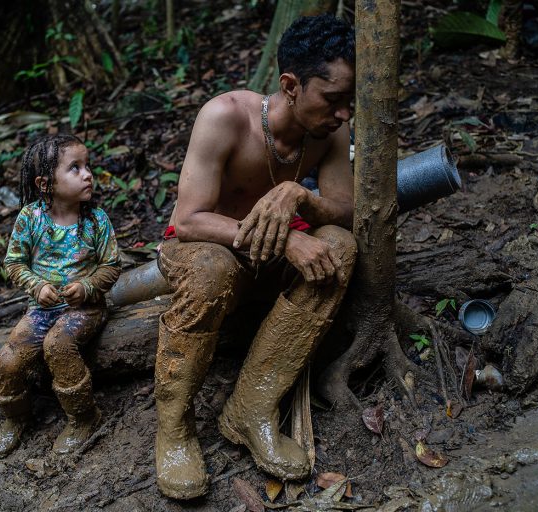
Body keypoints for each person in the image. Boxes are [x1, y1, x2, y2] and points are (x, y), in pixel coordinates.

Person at [154, 14, 358, 499]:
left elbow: (346, 212)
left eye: (350, 102)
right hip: (204, 250)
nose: (344, 113)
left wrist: (299, 196)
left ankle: (251, 408)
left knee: (340, 248)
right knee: (211, 268)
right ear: (291, 85)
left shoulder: (329, 135)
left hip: (265, 262)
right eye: (332, 99)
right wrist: (286, 239)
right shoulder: (224, 116)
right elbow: (188, 220)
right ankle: (174, 429)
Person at [0, 133, 121, 458]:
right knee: (8, 359)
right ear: (45, 183)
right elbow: (14, 263)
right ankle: (15, 418)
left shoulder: (96, 221)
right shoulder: (30, 219)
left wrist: (87, 287)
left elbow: (112, 265)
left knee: (58, 345)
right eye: (75, 168)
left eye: (87, 165)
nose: (88, 173)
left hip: (86, 309)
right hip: (42, 310)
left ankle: (84, 417)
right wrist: (37, 286)